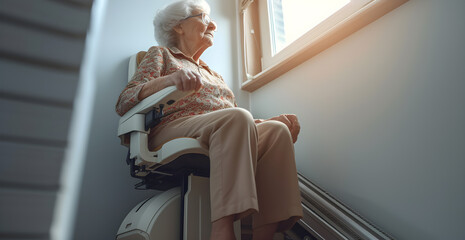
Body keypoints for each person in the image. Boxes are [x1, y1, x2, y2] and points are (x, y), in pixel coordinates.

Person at [115, 0, 303, 239]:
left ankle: (264, 235)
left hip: (219, 127)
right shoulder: (161, 55)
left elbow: (234, 118)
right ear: (178, 26)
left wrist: (263, 124)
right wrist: (171, 79)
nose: (213, 24)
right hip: (173, 126)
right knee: (236, 118)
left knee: (276, 131)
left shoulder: (213, 74)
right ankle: (222, 230)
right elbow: (125, 100)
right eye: (203, 17)